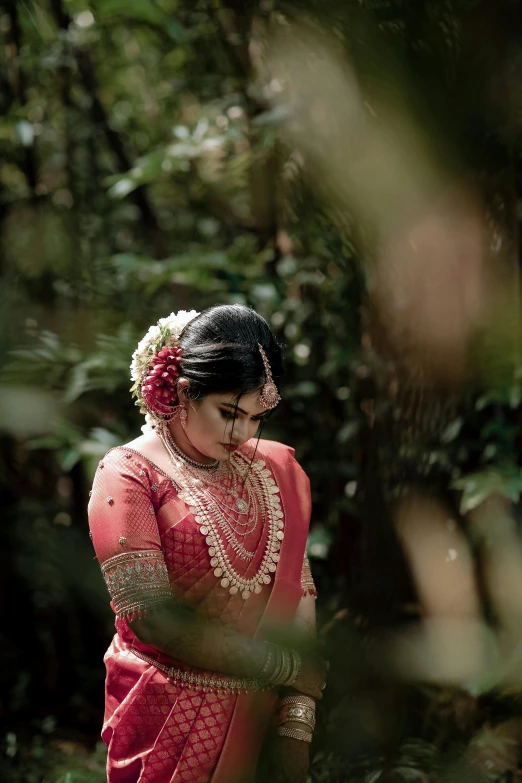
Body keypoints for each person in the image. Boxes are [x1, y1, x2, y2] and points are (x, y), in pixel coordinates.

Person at [88, 304, 326, 783]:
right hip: (165, 724)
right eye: (229, 413)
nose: (243, 434)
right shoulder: (129, 475)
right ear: (182, 390)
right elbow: (154, 620)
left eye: (256, 419)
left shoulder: (273, 470)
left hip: (262, 722)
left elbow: (298, 601)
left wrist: (296, 724)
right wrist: (281, 666)